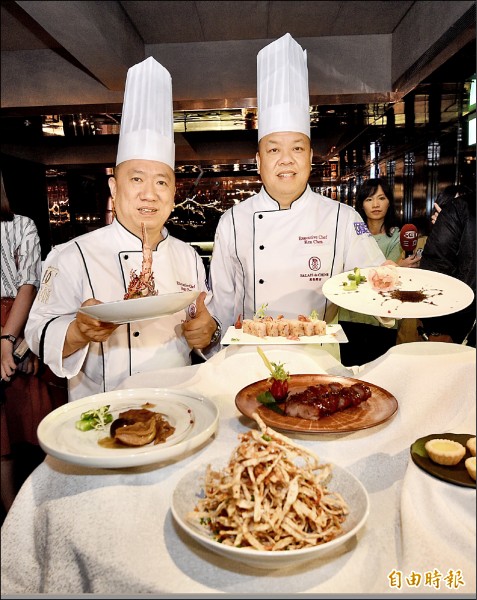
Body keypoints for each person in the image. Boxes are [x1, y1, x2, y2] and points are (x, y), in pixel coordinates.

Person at [25, 57, 219, 402]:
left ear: (174, 194)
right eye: (136, 179)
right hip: (104, 410)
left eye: (161, 181)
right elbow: (37, 332)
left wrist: (209, 332)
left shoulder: (187, 256)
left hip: (180, 405)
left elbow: (204, 322)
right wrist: (77, 331)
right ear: (114, 188)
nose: (149, 193)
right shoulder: (72, 254)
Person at [207, 34, 387, 360]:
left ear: (310, 157)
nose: (286, 160)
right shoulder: (232, 221)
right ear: (259, 161)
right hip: (249, 359)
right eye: (274, 149)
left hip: (318, 359)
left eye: (297, 148)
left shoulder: (343, 218)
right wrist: (212, 351)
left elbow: (374, 284)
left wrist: (388, 284)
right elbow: (222, 306)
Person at [1, 172, 67, 518]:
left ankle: (46, 508)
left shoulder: (20, 225)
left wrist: (12, 340)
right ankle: (10, 516)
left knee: (34, 424)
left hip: (17, 319)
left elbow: (29, 284)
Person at [338, 178, 420, 366]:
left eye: (381, 198)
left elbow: (389, 277)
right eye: (369, 199)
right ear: (361, 204)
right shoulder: (350, 236)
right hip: (349, 314)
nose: (375, 204)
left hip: (383, 318)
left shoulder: (398, 237)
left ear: (389, 201)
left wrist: (394, 269)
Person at [417, 192, 476, 347]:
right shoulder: (461, 208)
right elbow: (436, 269)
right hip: (463, 325)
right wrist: (438, 329)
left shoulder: (460, 208)